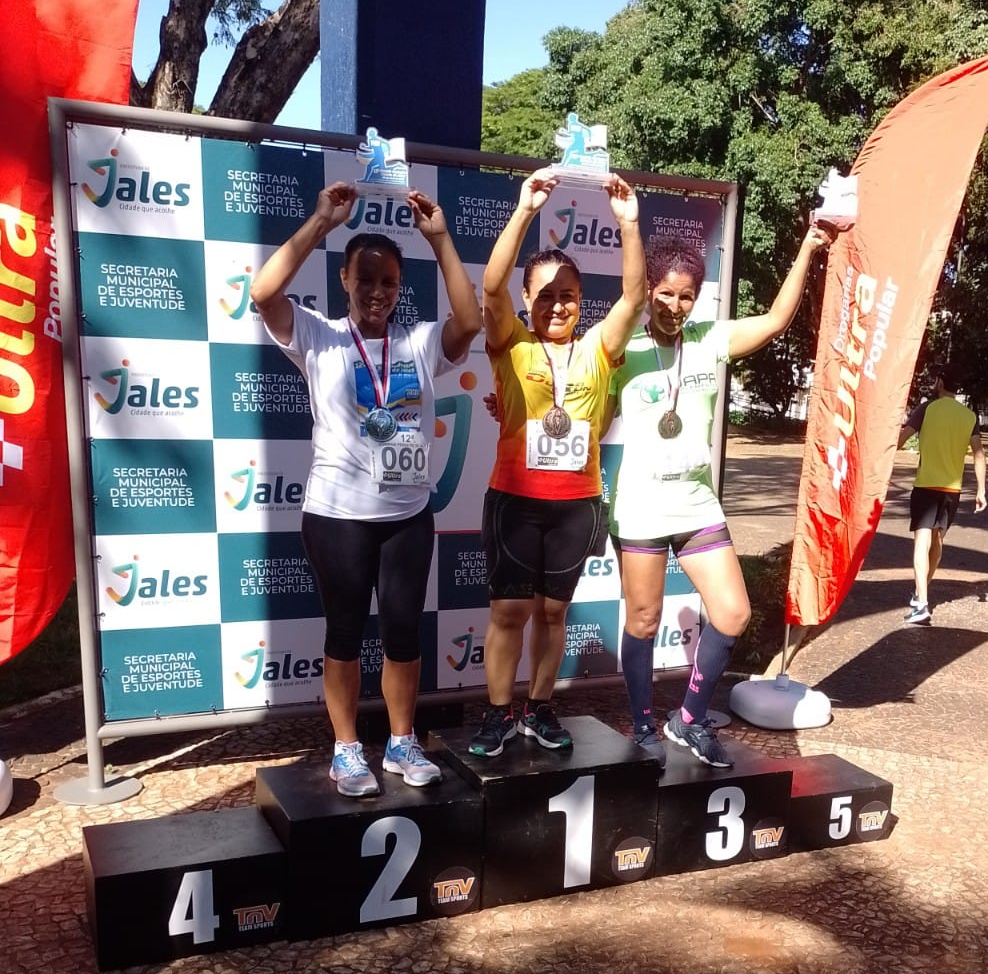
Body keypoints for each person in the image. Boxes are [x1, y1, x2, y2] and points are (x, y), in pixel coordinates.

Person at [250, 182, 482, 797]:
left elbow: (470, 319)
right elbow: (263, 291)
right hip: (337, 516)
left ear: (400, 288)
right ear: (345, 281)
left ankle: (402, 743)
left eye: (388, 283)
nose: (376, 292)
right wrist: (322, 222)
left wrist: (439, 239)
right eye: (364, 280)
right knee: (344, 633)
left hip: (406, 514)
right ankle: (347, 749)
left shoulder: (419, 341)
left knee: (404, 633)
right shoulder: (317, 336)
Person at [610, 223, 835, 768]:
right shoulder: (620, 345)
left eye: (686, 295)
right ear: (648, 292)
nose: (675, 304)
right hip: (640, 506)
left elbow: (777, 320)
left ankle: (687, 720)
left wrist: (805, 246)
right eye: (664, 292)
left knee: (732, 613)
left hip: (696, 505)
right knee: (642, 620)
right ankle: (642, 723)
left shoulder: (711, 339)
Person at [469, 167, 647, 757]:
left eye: (567, 294)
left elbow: (634, 298)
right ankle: (498, 715)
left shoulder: (599, 346)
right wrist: (524, 210)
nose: (557, 304)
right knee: (509, 611)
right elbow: (489, 290)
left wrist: (628, 226)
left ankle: (540, 708)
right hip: (515, 500)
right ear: (528, 299)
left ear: (580, 299)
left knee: (551, 613)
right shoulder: (512, 343)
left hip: (576, 505)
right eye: (544, 294)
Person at [896, 363, 986, 624]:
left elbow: (900, 441)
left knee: (921, 543)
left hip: (926, 485)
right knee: (937, 542)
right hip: (952, 490)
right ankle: (921, 591)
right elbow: (979, 454)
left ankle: (921, 603)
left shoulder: (926, 409)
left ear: (940, 382)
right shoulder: (969, 416)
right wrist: (981, 490)